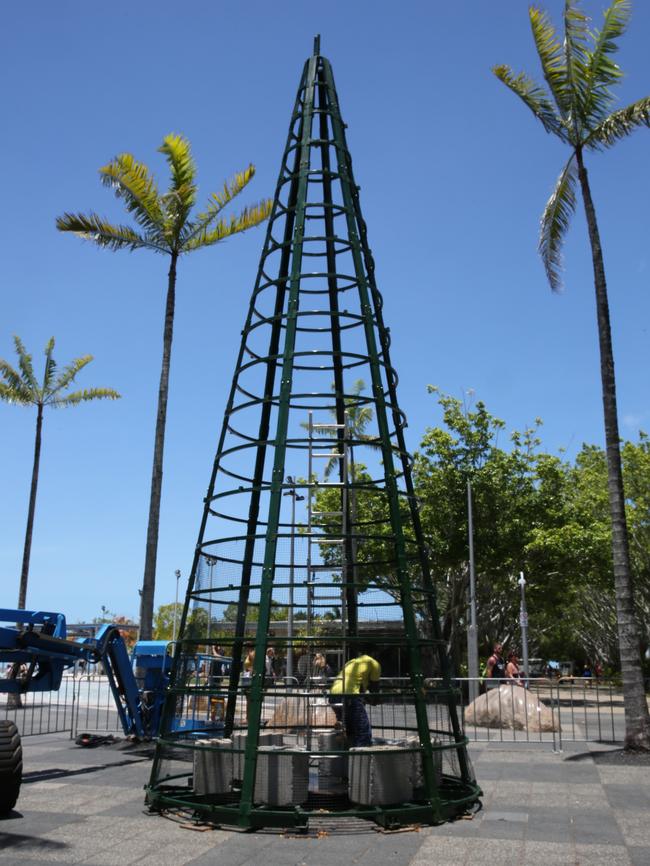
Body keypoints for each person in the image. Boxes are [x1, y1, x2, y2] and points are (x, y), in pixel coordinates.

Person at [328, 648, 381, 746]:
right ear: (374, 653)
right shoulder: (374, 663)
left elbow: (355, 682)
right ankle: (360, 757)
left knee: (349, 728)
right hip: (350, 695)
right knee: (362, 730)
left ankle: (344, 748)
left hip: (333, 695)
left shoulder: (352, 662)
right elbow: (375, 688)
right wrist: (376, 700)